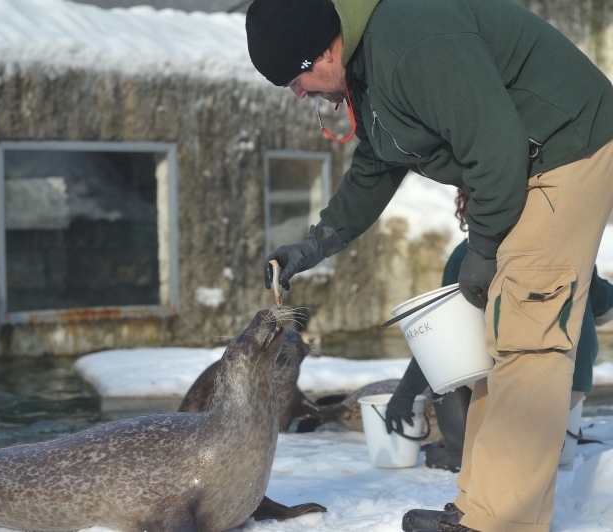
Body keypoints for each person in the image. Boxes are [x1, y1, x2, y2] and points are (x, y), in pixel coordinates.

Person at [245, 0, 613, 530]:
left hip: (566, 144)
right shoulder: (365, 66)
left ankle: (501, 521)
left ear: (325, 48)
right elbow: (376, 160)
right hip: (522, 157)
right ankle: (480, 504)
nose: (298, 92)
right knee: (498, 337)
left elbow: (495, 147)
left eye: (296, 78)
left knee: (529, 334)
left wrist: (483, 248)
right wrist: (317, 243)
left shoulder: (413, 45)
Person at [385, 191, 613, 476]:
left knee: (445, 369)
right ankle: (560, 443)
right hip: (570, 385)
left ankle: (460, 450)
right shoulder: (567, 248)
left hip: (514, 388)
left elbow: (442, 340)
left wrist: (404, 395)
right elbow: (605, 306)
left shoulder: (470, 255)